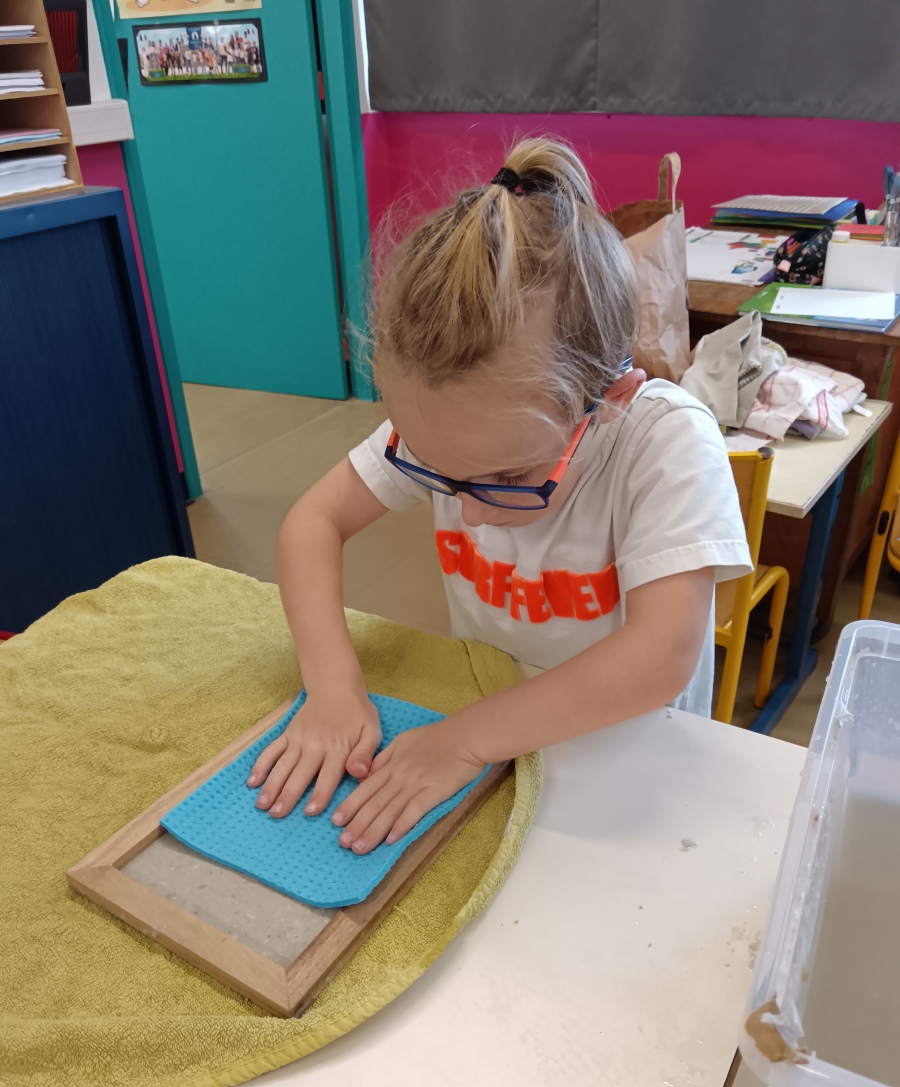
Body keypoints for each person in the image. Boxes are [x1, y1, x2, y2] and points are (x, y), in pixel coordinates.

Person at [247, 137, 752, 855]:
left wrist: (464, 741)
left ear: (608, 402)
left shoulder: (665, 442)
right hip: (491, 716)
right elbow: (312, 524)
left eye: (510, 480)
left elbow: (658, 659)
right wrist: (332, 688)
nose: (472, 514)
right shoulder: (460, 427)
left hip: (627, 755)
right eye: (434, 470)